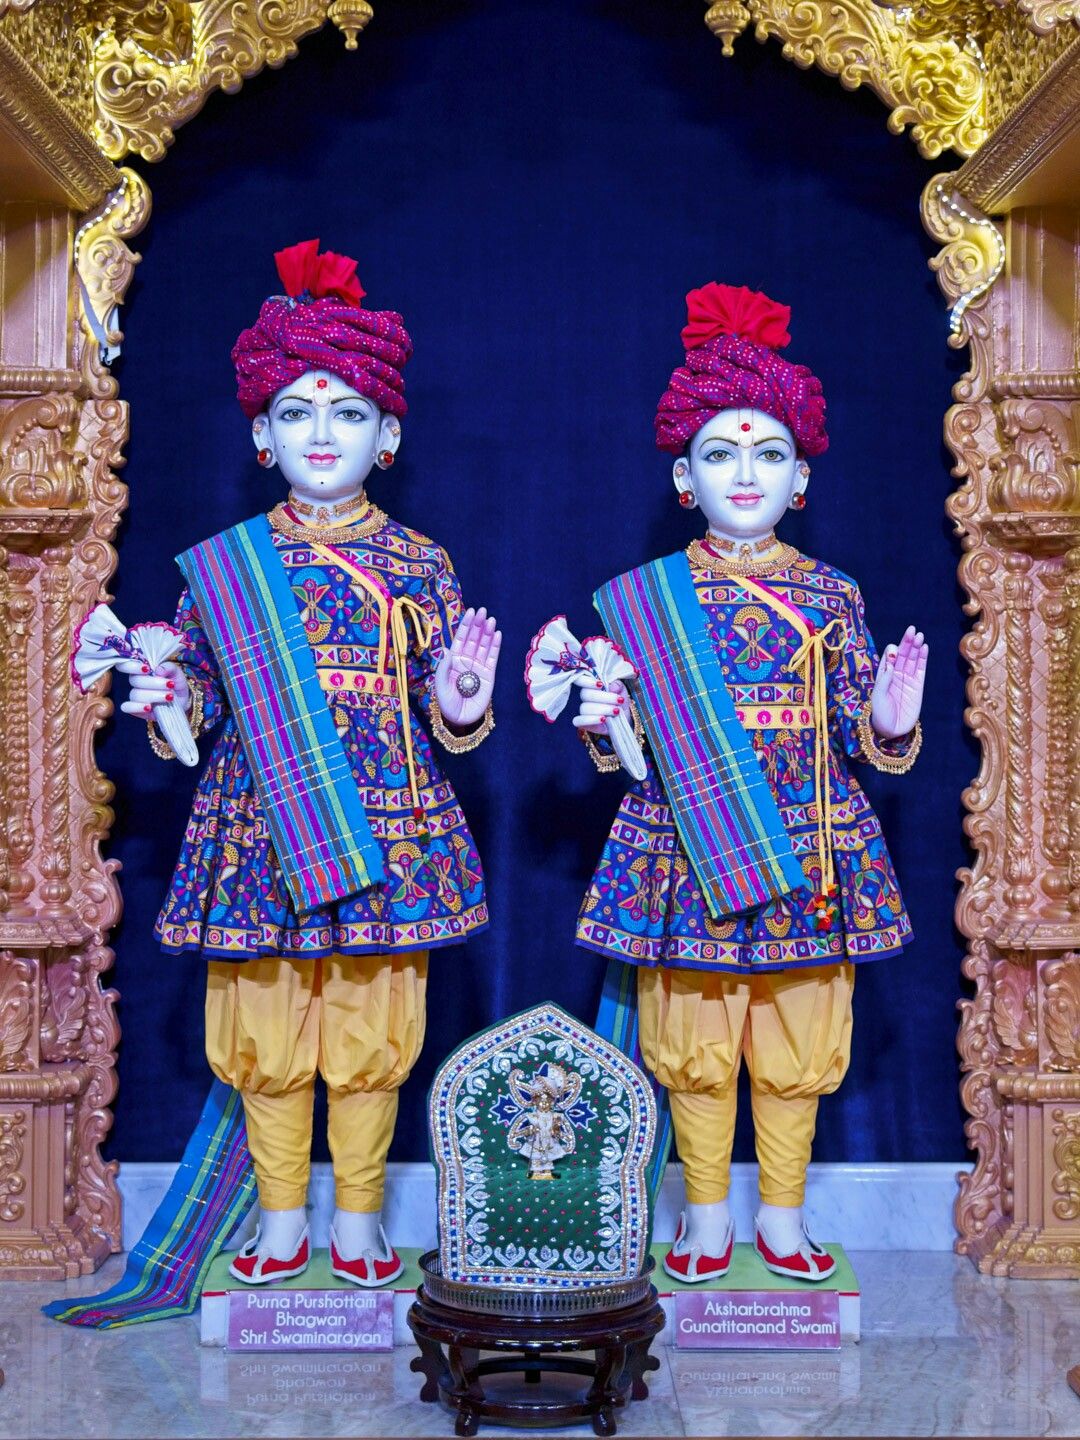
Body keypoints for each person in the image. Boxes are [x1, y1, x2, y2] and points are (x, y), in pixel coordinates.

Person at [121, 240, 500, 1286]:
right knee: (268, 1029)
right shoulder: (224, 569)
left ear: (387, 436)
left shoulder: (421, 562)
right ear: (259, 433)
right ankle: (284, 1219)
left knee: (371, 1031)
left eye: (345, 413)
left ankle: (362, 1218)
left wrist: (461, 702)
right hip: (258, 827)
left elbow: (448, 705)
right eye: (296, 412)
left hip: (389, 829)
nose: (320, 433)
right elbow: (190, 699)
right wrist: (169, 695)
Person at [569, 283, 926, 1283]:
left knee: (794, 1039)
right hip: (685, 842)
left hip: (809, 845)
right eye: (721, 453)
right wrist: (605, 721)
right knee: (692, 1036)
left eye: (769, 452)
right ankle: (704, 1214)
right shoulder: (650, 601)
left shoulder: (832, 594)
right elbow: (627, 742)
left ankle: (780, 1212)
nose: (745, 473)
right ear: (684, 474)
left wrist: (889, 719)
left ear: (801, 475)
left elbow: (865, 725)